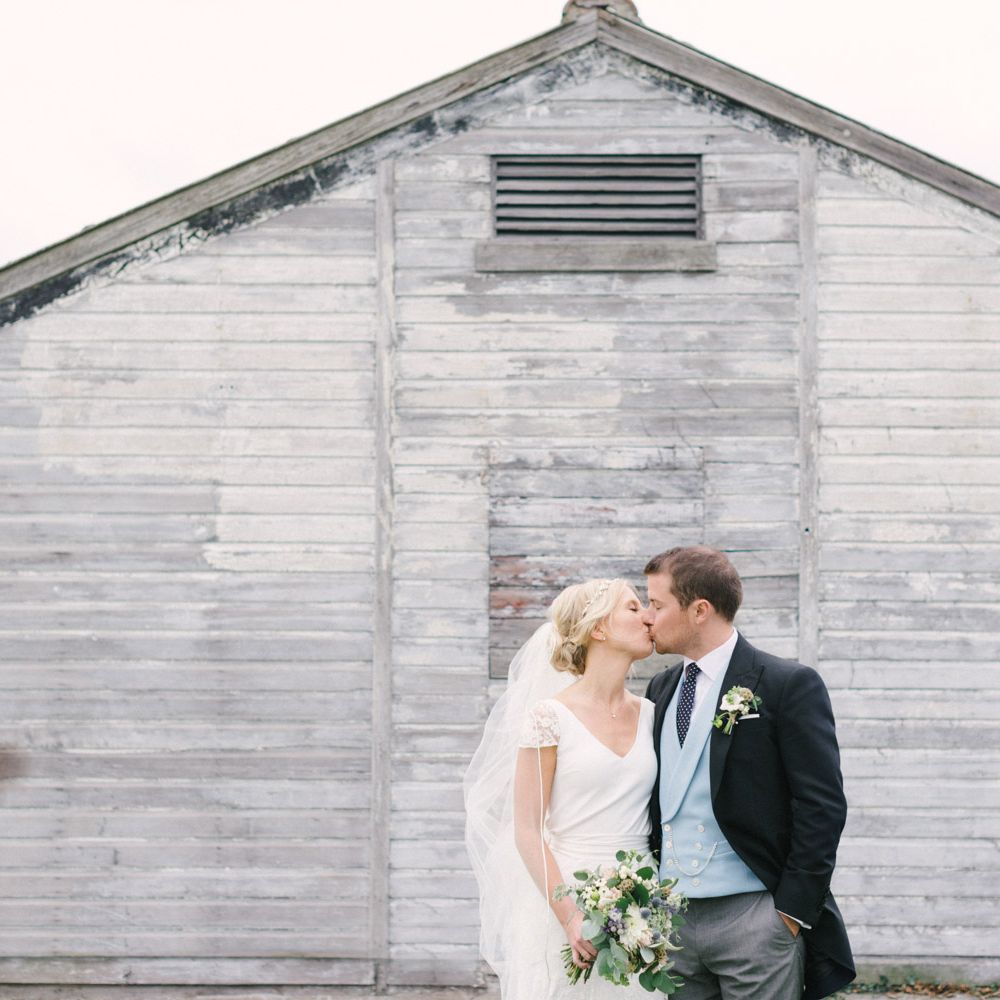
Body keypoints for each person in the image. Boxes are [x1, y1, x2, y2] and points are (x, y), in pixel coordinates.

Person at [641, 546, 855, 1000]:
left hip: (756, 920)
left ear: (700, 610)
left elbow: (822, 805)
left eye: (656, 605)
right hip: (672, 921)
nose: (646, 617)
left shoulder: (786, 685)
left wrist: (790, 913)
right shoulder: (660, 688)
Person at [465, 578, 658, 1000]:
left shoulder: (651, 715)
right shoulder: (548, 718)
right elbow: (528, 830)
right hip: (568, 900)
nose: (648, 616)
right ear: (599, 629)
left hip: (644, 906)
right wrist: (571, 917)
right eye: (632, 607)